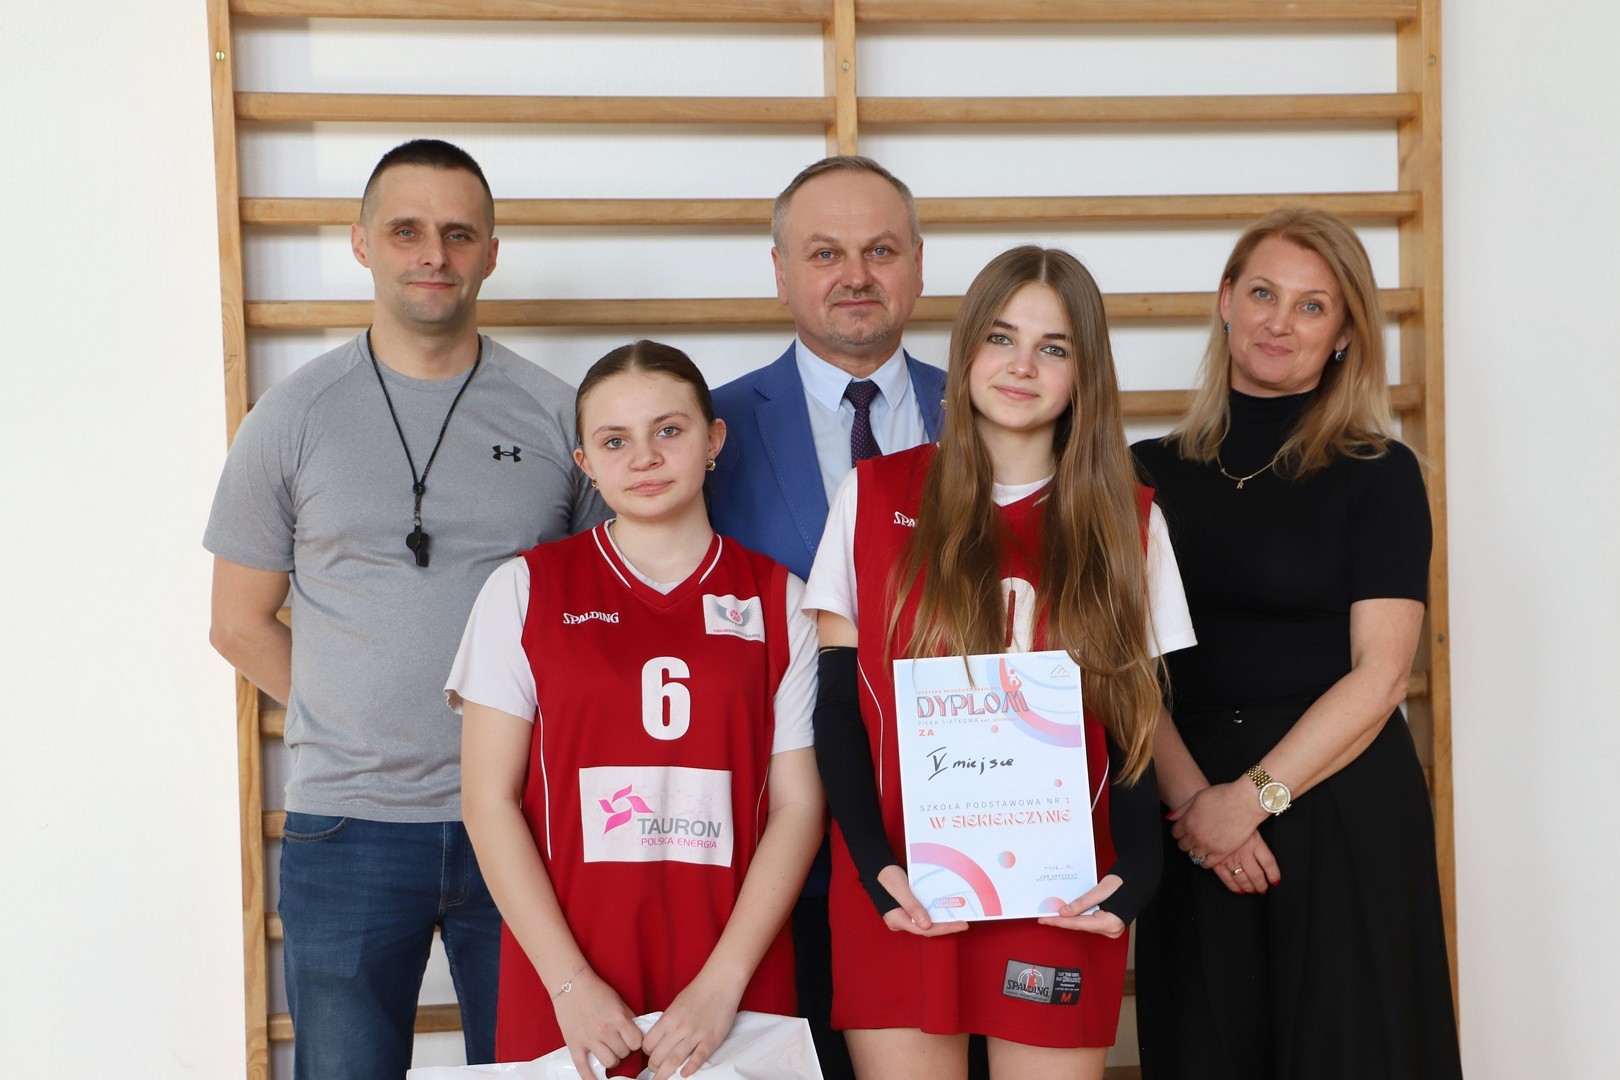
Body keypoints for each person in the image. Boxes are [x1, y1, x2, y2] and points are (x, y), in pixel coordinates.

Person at [205, 139, 604, 1080]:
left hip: (524, 820)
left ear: (491, 253)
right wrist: (356, 717)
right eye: (407, 231)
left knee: (538, 1072)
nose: (434, 254)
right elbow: (237, 621)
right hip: (347, 825)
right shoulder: (292, 417)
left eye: (459, 234)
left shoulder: (559, 417)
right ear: (361, 244)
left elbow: (601, 617)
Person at [804, 246, 1197, 1080]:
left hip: (1060, 895)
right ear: (966, 349)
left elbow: (1132, 727)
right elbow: (837, 708)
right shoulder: (871, 496)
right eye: (1001, 337)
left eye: (1053, 347)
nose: (1022, 365)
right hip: (905, 887)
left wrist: (1138, 872)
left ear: (1085, 374)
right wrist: (875, 866)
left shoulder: (1129, 523)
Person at [1130, 208, 1462, 1079]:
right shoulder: (1140, 472)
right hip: (1189, 809)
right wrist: (1200, 809)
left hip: (1338, 801)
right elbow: (1123, 667)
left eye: (1313, 306)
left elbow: (1382, 675)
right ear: (1226, 302)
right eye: (1264, 293)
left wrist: (1253, 799)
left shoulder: (1380, 473)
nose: (1280, 321)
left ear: (1345, 334)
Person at [449, 341, 825, 1079]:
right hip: (571, 980)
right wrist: (570, 984)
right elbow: (487, 802)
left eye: (669, 430)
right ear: (585, 462)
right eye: (615, 440)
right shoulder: (524, 590)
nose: (645, 457)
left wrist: (722, 985)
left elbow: (798, 807)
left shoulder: (781, 600)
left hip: (730, 978)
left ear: (714, 440)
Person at [708, 154, 946, 1078]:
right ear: (780, 273)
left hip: (962, 834)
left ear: (918, 264)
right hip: (777, 849)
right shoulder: (707, 434)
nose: (856, 275)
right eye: (824, 253)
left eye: (880, 250)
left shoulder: (992, 414)